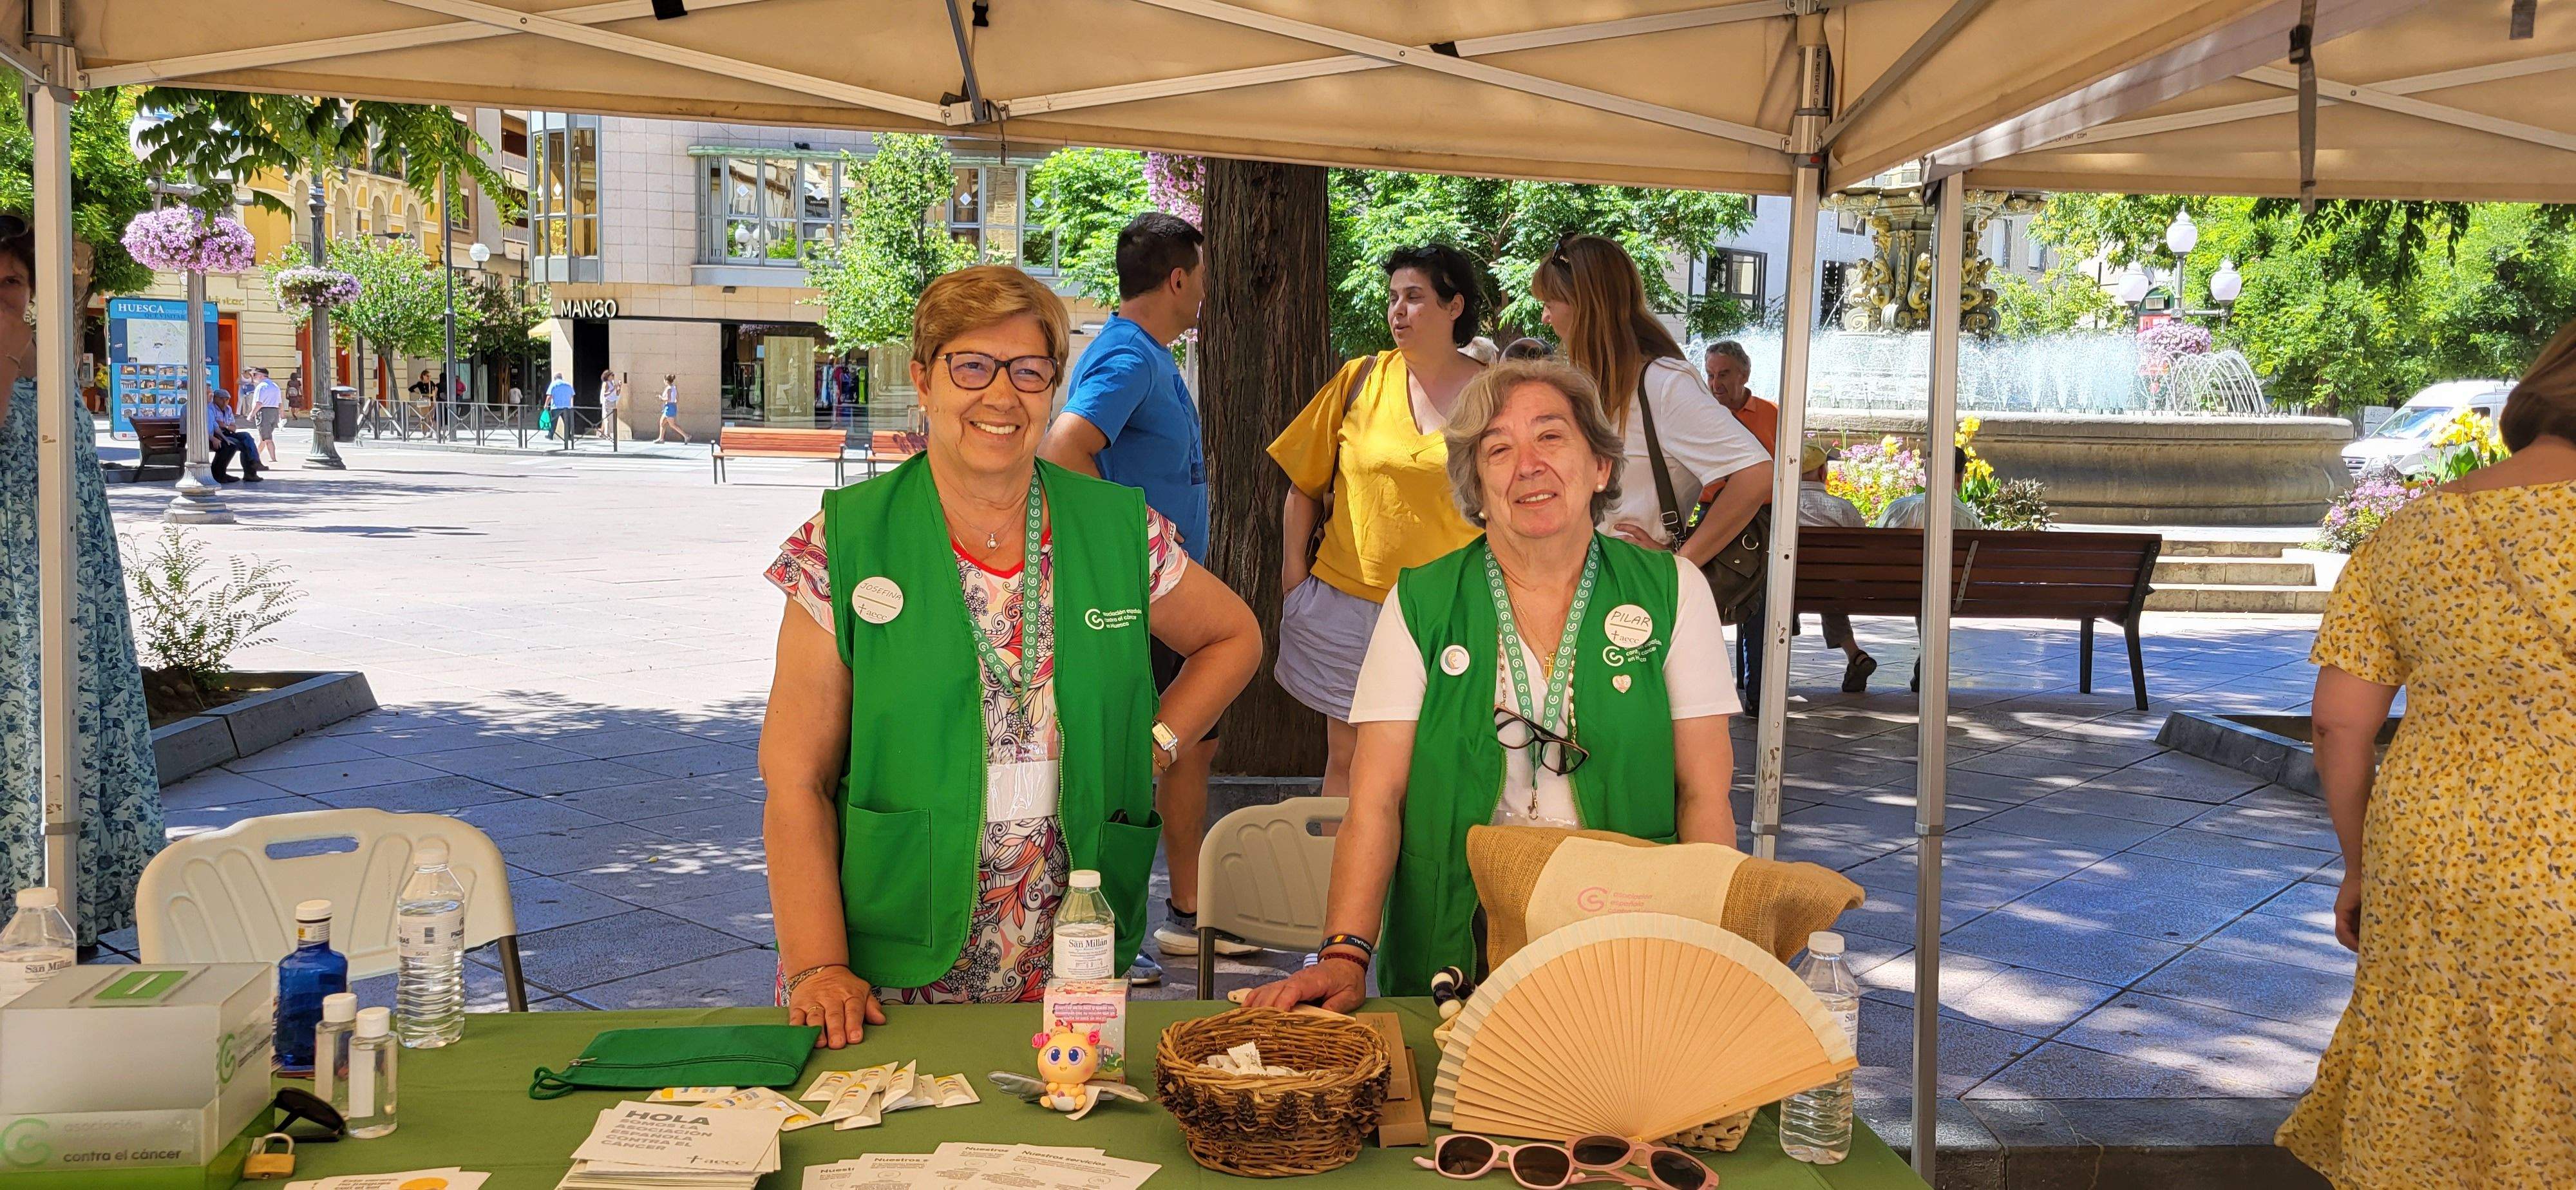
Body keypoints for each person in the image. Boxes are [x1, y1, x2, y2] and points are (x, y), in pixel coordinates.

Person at [759, 265, 1260, 1046]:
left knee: (1068, 1114)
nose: (1001, 395)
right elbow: (795, 779)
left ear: (1053, 387)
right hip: (886, 959)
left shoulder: (1119, 529)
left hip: (1074, 948)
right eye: (972, 366)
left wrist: (1154, 746)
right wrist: (819, 964)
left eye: (1029, 371)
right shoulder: (845, 541)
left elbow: (1234, 638)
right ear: (923, 380)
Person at [1242, 359, 1739, 1008]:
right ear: (1475, 487)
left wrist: (1715, 958)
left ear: (1600, 466)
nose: (1528, 465)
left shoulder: (1672, 592)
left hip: (1627, 936)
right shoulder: (1421, 601)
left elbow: (1704, 794)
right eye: (1498, 450)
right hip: (1455, 944)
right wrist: (1344, 953)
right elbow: (1376, 798)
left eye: (1551, 437)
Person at [2276, 318, 2576, 1186]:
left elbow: (2339, 723)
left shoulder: (2415, 532)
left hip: (2438, 854)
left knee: (2432, 1063)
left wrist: (2359, 865)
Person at [1039, 211, 1245, 983]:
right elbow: (1063, 447)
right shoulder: (1127, 355)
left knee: (1188, 745)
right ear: (1179, 278)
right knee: (1134, 761)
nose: (1205, 293)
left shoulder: (1143, 352)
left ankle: (1186, 914)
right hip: (1136, 602)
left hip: (1163, 600)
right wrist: (1131, 540)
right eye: (1203, 277)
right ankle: (1098, 930)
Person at [1270, 245, 1489, 801]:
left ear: (1455, 306)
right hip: (1349, 606)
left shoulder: (1497, 394)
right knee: (1347, 760)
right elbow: (1303, 486)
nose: (1398, 311)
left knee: (1441, 763)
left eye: (1415, 297)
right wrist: (1294, 579)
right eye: (1393, 298)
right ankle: (1340, 862)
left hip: (1455, 609)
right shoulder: (1361, 378)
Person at [0, 216, 164, 943]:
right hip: (16, 572)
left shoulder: (41, 345)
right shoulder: (8, 347)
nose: (4, 294)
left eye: (12, 281)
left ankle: (79, 908)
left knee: (77, 719)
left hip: (74, 568)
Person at [1531, 236, 1772, 559]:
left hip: (1633, 582)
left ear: (1585, 306)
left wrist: (1680, 564)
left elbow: (1756, 473)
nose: (1545, 318)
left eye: (1549, 304)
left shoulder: (1663, 383)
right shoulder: (1599, 381)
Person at [1793, 440, 1874, 692]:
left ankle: (1772, 656)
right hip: (1834, 589)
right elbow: (1866, 550)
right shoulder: (1842, 509)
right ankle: (1855, 655)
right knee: (1827, 586)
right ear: (1822, 473)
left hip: (1789, 586)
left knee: (1788, 583)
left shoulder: (1780, 507)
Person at [1696, 339, 1776, 505]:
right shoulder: (1699, 416)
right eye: (1711, 375)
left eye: (1723, 375)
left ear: (1745, 376)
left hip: (1763, 511)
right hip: (1713, 509)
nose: (1715, 385)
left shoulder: (1774, 414)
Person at [1873, 447, 1988, 530]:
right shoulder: (1970, 522)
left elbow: (1873, 545)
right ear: (1960, 477)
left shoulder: (1896, 510)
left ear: (1926, 472)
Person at [207, 389, 264, 483]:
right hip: (217, 434)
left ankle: (255, 462)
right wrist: (226, 426)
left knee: (247, 437)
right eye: (221, 399)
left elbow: (233, 428)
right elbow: (215, 426)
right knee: (240, 444)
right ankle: (250, 472)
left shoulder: (228, 409)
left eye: (227, 399)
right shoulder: (210, 408)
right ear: (215, 398)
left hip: (228, 432)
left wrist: (225, 426)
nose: (225, 402)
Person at [247, 367, 285, 462]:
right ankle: (255, 457)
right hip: (274, 412)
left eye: (255, 375)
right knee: (263, 438)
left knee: (267, 438)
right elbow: (280, 403)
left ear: (261, 375)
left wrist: (251, 414)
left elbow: (259, 403)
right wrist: (282, 415)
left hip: (264, 413)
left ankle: (273, 458)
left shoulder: (261, 386)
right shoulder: (275, 386)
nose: (254, 377)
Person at [546, 372, 576, 449]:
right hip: (567, 407)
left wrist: (546, 405)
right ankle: (568, 436)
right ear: (562, 378)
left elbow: (550, 396)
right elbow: (572, 395)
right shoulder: (568, 385)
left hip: (556, 407)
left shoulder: (554, 384)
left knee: (553, 422)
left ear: (555, 378)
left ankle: (550, 435)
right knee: (567, 423)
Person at [656, 373, 688, 444]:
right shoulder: (674, 387)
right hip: (672, 406)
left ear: (666, 381)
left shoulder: (669, 389)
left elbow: (669, 399)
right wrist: (674, 403)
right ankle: (661, 438)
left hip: (669, 407)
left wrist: (661, 398)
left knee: (672, 425)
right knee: (662, 422)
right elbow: (677, 398)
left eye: (664, 380)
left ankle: (686, 436)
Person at [596, 370, 621, 439]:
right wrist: (613, 390)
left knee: (611, 419)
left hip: (613, 402)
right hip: (607, 402)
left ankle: (609, 433)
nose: (613, 377)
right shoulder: (606, 383)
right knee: (607, 418)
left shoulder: (613, 383)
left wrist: (619, 387)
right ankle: (607, 434)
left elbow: (617, 393)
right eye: (612, 375)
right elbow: (605, 394)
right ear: (608, 376)